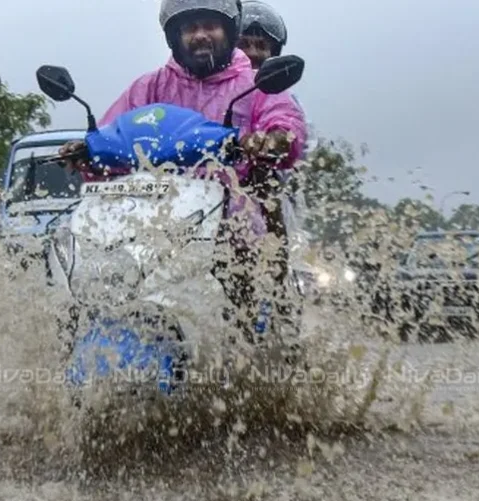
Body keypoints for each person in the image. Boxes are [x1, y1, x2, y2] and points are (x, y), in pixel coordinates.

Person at [59, 0, 308, 339]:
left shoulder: (254, 84)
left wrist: (273, 139)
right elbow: (111, 135)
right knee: (80, 294)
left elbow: (285, 124)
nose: (201, 35)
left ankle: (253, 363)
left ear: (229, 31)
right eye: (191, 28)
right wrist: (87, 153)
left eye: (210, 26)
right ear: (175, 37)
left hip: (231, 235)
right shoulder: (148, 88)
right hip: (151, 231)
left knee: (246, 335)